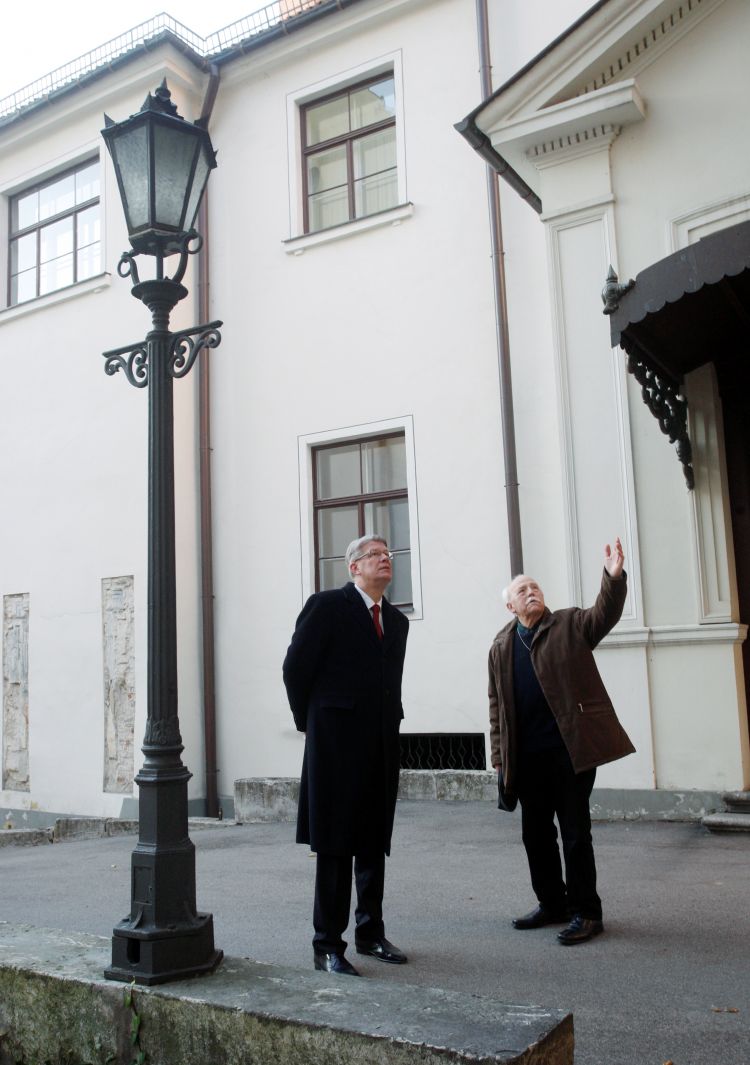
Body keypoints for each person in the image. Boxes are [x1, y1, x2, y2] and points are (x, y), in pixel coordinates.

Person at [488, 539, 635, 945]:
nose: (531, 592)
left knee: (575, 835)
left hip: (570, 754)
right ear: (511, 606)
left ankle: (586, 912)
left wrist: (613, 577)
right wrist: (499, 756)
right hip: (526, 760)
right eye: (522, 590)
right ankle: (552, 903)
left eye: (535, 587)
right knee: (536, 836)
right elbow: (496, 705)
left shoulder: (570, 624)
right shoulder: (500, 646)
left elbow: (604, 613)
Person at [283, 534, 409, 976]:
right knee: (336, 845)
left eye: (388, 554)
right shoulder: (327, 606)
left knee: (373, 842)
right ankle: (327, 946)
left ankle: (370, 934)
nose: (385, 559)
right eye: (375, 554)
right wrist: (314, 722)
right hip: (335, 746)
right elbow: (295, 669)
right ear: (353, 566)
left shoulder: (396, 621)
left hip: (380, 745)